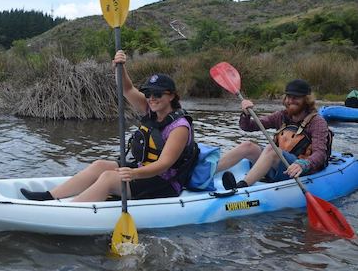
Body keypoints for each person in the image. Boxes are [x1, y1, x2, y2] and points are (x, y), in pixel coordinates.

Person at [20, 50, 199, 202]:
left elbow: (164, 164)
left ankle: (71, 209)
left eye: (158, 94)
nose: (152, 98)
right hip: (143, 170)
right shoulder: (150, 109)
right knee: (100, 165)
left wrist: (133, 174)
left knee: (108, 178)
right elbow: (127, 89)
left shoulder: (179, 127)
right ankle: (49, 197)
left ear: (172, 96)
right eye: (148, 93)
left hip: (164, 183)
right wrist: (120, 67)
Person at [216, 79, 331, 189]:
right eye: (288, 97)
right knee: (247, 146)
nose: (290, 101)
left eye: (296, 98)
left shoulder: (317, 122)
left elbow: (320, 154)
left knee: (271, 149)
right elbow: (248, 126)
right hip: (279, 165)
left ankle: (241, 187)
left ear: (306, 100)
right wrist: (246, 114)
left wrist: (303, 165)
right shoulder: (282, 116)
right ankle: (207, 173)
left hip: (298, 170)